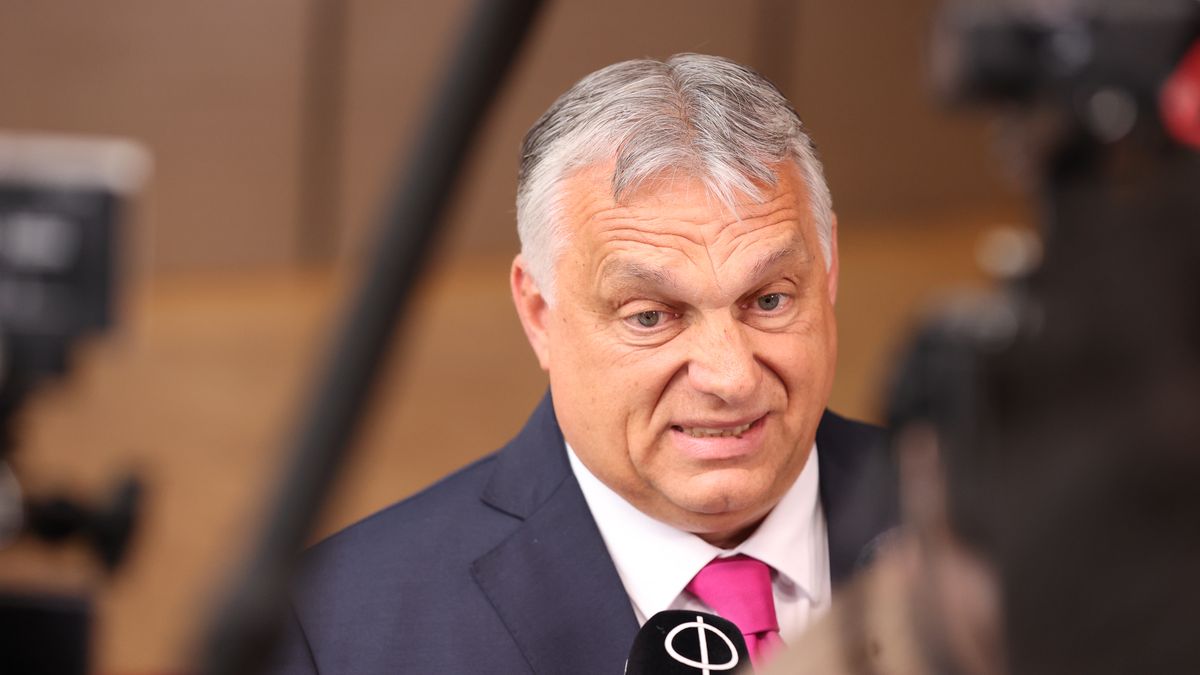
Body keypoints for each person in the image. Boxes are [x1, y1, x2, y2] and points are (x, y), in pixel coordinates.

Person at [269, 53, 897, 674]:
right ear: (539, 312)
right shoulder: (339, 626)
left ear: (828, 272)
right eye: (650, 316)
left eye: (769, 300)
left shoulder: (951, 514)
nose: (731, 377)